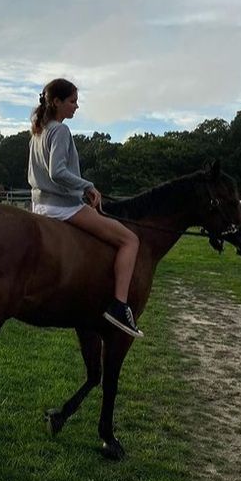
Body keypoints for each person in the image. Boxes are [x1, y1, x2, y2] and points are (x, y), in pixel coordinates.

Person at [27, 78, 143, 339]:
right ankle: (119, 306)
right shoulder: (60, 131)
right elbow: (57, 172)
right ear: (57, 102)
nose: (76, 107)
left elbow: (36, 175)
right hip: (62, 208)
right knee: (130, 240)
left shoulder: (37, 132)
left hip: (39, 207)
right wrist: (87, 185)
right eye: (72, 101)